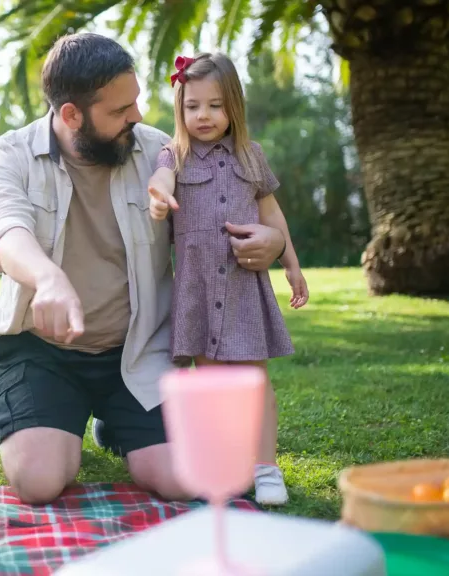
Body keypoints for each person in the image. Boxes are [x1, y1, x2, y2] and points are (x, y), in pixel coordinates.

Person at [0, 33, 289, 505]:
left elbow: (231, 211)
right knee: (39, 481)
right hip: (43, 351)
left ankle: (115, 424)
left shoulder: (161, 152)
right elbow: (4, 229)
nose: (137, 116)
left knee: (189, 480)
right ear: (71, 115)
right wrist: (47, 278)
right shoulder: (10, 154)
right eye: (121, 110)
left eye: (136, 101)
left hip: (139, 352)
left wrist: (273, 240)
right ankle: (65, 421)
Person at [147, 53, 309, 505]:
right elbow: (160, 178)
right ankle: (226, 465)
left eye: (215, 105)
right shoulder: (173, 155)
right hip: (197, 290)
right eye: (193, 106)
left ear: (233, 106)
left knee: (254, 383)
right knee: (212, 383)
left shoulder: (250, 155)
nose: (203, 115)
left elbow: (272, 213)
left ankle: (265, 466)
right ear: (180, 109)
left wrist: (291, 264)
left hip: (243, 288)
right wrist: (159, 195)